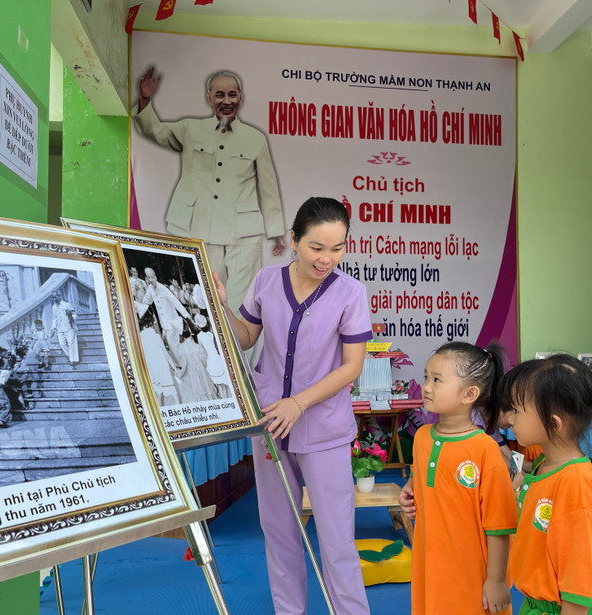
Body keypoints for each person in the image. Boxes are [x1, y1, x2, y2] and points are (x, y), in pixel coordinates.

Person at [215, 196, 372, 615]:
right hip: (271, 425)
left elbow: (352, 367)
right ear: (293, 240)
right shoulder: (267, 280)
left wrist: (298, 404)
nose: (327, 259)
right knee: (279, 532)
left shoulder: (351, 293)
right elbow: (246, 336)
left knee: (337, 540)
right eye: (316, 247)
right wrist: (220, 304)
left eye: (337, 248)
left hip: (323, 431)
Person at [133, 67, 286, 313]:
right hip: (198, 225)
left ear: (240, 98)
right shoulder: (190, 129)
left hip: (242, 234)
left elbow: (268, 186)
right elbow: (157, 132)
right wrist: (145, 100)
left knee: (243, 299)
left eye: (232, 95)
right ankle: (215, 347)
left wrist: (276, 229)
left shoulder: (255, 138)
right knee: (203, 295)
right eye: (220, 95)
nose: (227, 101)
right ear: (209, 98)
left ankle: (239, 350)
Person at [496, 354, 592, 615]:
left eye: (517, 410)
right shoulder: (543, 466)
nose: (509, 419)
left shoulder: (576, 484)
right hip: (536, 606)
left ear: (554, 424)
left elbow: (580, 589)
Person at [398, 341, 517, 615]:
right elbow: (422, 478)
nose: (427, 386)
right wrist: (409, 489)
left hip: (472, 573)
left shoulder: (484, 449)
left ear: (469, 394)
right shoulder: (423, 438)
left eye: (437, 380)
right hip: (431, 567)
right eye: (426, 377)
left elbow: (499, 525)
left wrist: (497, 580)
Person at [50, 291, 79, 367]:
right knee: (62, 344)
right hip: (60, 328)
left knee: (71, 344)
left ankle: (72, 360)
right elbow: (54, 318)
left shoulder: (67, 305)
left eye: (55, 297)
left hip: (69, 327)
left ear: (60, 296)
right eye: (53, 298)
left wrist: (71, 316)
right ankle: (70, 355)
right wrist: (53, 328)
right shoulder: (54, 307)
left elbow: (75, 315)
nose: (54, 299)